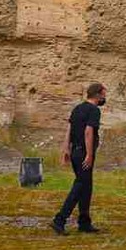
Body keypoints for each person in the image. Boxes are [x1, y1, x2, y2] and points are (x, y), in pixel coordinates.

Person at [50, 83, 107, 236]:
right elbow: (88, 132)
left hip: (75, 151)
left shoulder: (77, 108)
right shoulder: (94, 110)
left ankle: (84, 223)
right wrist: (89, 154)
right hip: (83, 153)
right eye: (104, 94)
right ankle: (59, 220)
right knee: (80, 186)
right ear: (97, 94)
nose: (105, 97)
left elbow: (69, 129)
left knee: (86, 186)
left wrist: (66, 148)